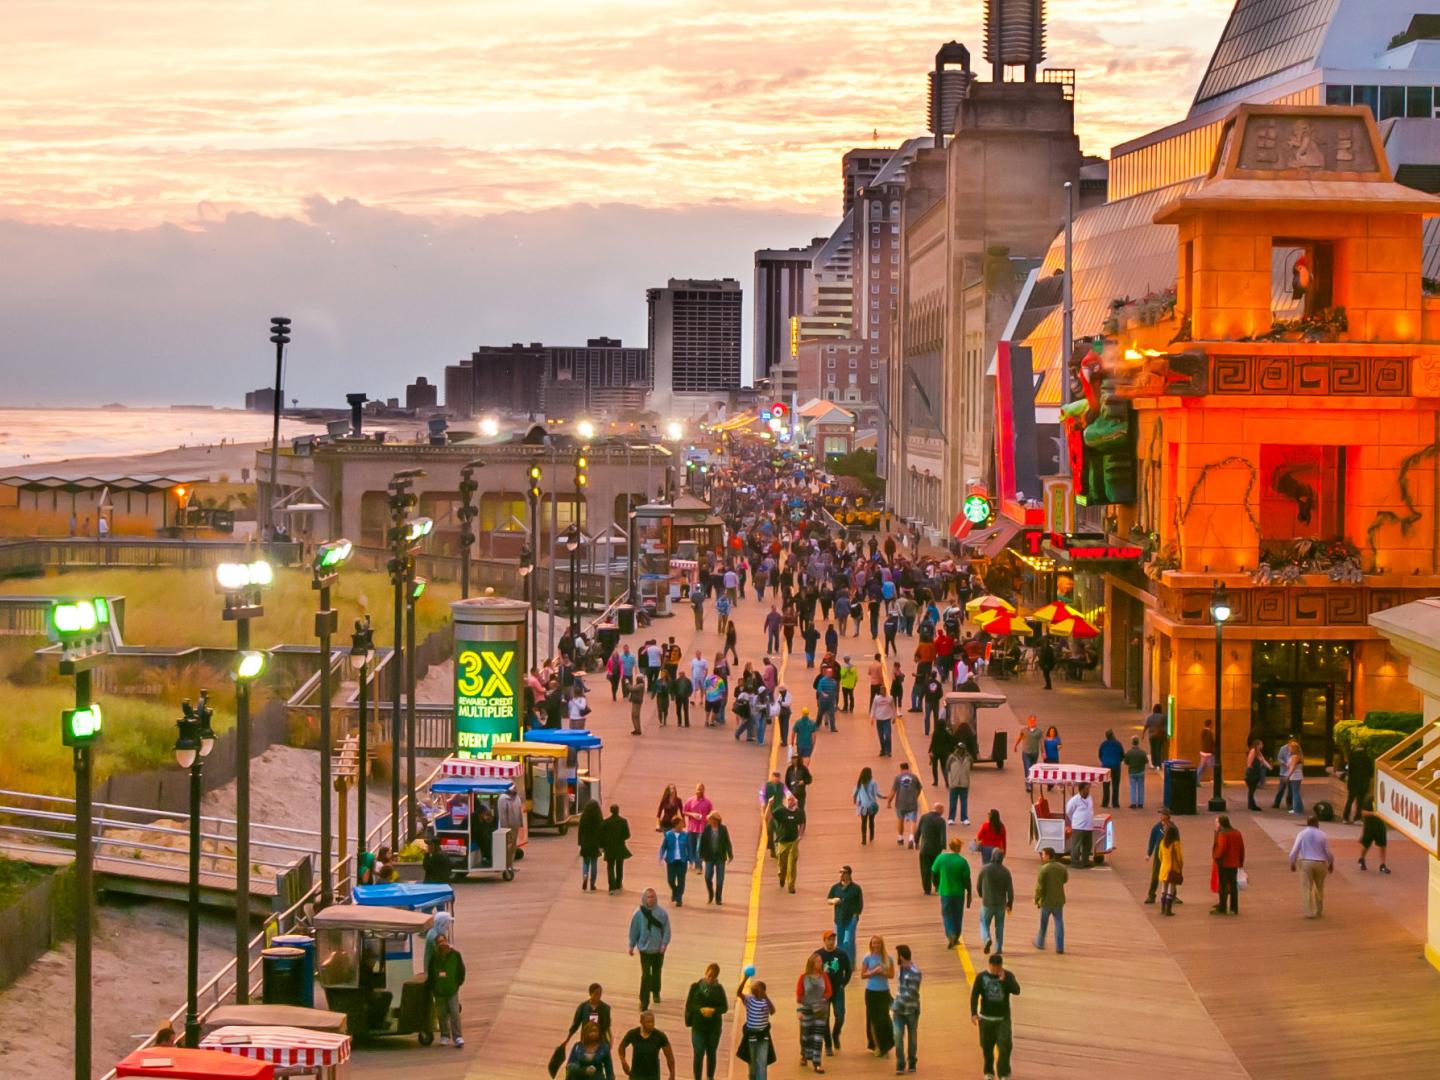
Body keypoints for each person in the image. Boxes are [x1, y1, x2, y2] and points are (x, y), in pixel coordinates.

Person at [970, 953, 1021, 1080]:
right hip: (986, 1019)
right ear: (990, 965)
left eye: (998, 967)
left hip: (1002, 1019)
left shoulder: (1007, 976)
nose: (996, 970)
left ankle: (1003, 1072)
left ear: (1001, 966)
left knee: (1005, 1046)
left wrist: (1006, 981)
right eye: (994, 967)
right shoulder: (981, 977)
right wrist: (974, 1013)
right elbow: (975, 994)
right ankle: (989, 1071)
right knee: (987, 1048)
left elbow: (1017, 990)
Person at [628, 889, 672, 1010]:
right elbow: (634, 930)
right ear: (644, 898)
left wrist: (664, 945)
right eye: (648, 897)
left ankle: (656, 991)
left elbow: (667, 930)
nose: (651, 899)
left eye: (653, 897)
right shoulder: (638, 913)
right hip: (645, 950)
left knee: (656, 973)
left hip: (658, 950)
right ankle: (644, 1001)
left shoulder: (662, 913)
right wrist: (631, 945)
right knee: (646, 976)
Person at [684, 963, 728, 1080]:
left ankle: (710, 1076)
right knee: (698, 1054)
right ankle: (697, 1077)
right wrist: (700, 1009)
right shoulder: (696, 987)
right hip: (698, 1027)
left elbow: (724, 1007)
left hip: (713, 1028)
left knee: (711, 1053)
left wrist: (713, 1010)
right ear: (705, 973)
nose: (710, 979)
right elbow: (689, 1005)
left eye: (713, 977)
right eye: (709, 976)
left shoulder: (719, 990)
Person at [814, 930, 852, 1056]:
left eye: (833, 939)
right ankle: (828, 1044)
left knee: (840, 1015)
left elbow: (848, 970)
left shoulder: (841, 954)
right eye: (829, 939)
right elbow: (811, 972)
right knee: (824, 1019)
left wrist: (843, 983)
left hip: (837, 990)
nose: (831, 942)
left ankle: (835, 1034)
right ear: (824, 940)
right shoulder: (817, 955)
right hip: (823, 992)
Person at [1289, 814, 1335, 918]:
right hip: (1321, 863)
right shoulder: (1323, 835)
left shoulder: (1301, 834)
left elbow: (1295, 850)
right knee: (1319, 887)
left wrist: (1292, 862)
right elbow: (1328, 851)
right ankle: (1319, 910)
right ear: (1317, 823)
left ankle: (1308, 912)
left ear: (1307, 823)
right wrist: (1331, 862)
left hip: (1306, 862)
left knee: (1307, 887)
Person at [931, 837, 972, 948]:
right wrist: (969, 893)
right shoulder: (962, 861)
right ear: (958, 848)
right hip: (959, 892)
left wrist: (935, 884)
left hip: (945, 891)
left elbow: (934, 872)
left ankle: (951, 934)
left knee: (947, 914)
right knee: (958, 915)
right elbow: (967, 879)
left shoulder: (941, 858)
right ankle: (957, 936)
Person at [426, 933, 466, 1047]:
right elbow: (431, 974)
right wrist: (432, 988)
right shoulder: (434, 957)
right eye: (439, 942)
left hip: (452, 989)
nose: (442, 944)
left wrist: (458, 983)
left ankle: (458, 1036)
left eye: (443, 941)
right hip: (439, 991)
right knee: (441, 1013)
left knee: (454, 1012)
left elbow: (461, 970)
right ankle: (445, 1035)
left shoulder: (455, 955)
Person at [795, 953, 832, 1074]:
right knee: (806, 1036)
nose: (820, 964)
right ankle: (804, 1055)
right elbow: (799, 995)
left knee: (818, 1037)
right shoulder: (803, 977)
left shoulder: (824, 976)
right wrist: (800, 1010)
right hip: (807, 1009)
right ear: (812, 963)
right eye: (818, 962)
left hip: (820, 1010)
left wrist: (823, 1000)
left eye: (821, 961)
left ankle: (817, 1063)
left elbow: (828, 992)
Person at [736, 971, 776, 1080]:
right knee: (752, 1064)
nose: (753, 988)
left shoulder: (765, 1002)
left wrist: (766, 997)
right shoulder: (749, 999)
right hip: (751, 1036)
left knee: (762, 1064)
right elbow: (739, 993)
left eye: (756, 987)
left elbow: (772, 1011)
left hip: (763, 1037)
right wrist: (745, 979)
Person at [859, 936, 895, 1059]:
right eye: (874, 943)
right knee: (873, 1020)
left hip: (884, 991)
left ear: (881, 944)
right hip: (871, 992)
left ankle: (886, 1044)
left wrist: (882, 972)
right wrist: (873, 972)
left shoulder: (888, 958)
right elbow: (863, 975)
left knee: (884, 1019)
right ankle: (877, 1046)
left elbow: (891, 974)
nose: (876, 945)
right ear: (871, 944)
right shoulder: (867, 957)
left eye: (878, 943)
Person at [889, 944, 921, 1075]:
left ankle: (912, 1061)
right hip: (899, 1011)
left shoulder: (915, 972)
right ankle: (900, 1063)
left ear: (901, 956)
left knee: (912, 1039)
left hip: (911, 1010)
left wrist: (894, 1004)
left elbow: (911, 993)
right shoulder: (901, 969)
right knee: (897, 1036)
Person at [976, 850, 1013, 955]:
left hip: (987, 902)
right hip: (1001, 903)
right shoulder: (1006, 872)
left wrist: (981, 894)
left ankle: (987, 938)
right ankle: (998, 948)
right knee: (999, 926)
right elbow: (1010, 890)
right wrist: (1010, 903)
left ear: (992, 856)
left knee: (984, 922)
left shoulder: (985, 869)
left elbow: (978, 884)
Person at [619, 1012, 675, 1080]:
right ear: (641, 1022)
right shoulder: (633, 1034)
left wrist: (672, 1074)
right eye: (648, 1022)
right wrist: (623, 1061)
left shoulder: (660, 1036)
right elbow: (621, 1047)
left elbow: (670, 1057)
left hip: (652, 1075)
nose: (651, 1024)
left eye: (652, 1022)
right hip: (636, 1074)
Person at [826, 865, 863, 963]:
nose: (842, 874)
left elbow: (860, 904)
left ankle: (850, 963)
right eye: (840, 872)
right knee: (839, 942)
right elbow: (828, 899)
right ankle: (840, 963)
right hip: (838, 919)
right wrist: (833, 900)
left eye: (844, 872)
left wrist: (855, 917)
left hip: (851, 919)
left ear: (849, 874)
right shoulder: (835, 887)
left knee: (848, 941)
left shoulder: (856, 888)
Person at [1033, 847, 1067, 953]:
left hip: (1046, 901)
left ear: (1048, 855)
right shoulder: (1062, 867)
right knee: (1059, 923)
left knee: (1043, 923)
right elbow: (1065, 879)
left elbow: (1039, 887)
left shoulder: (1043, 869)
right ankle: (1060, 947)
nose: (1042, 856)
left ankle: (1040, 942)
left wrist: (1037, 899)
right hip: (1058, 900)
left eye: (1043, 854)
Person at [1211, 815, 1245, 916]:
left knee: (1223, 885)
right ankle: (1234, 908)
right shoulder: (1237, 832)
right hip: (1234, 863)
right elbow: (1241, 848)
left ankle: (1222, 907)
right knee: (1233, 886)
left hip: (1224, 863)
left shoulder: (1222, 834)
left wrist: (1216, 857)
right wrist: (1241, 862)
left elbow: (1222, 848)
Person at [772, 794, 806, 893]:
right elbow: (769, 816)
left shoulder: (799, 812)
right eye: (789, 800)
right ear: (785, 802)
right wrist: (769, 805)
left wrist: (800, 835)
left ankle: (791, 886)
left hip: (793, 841)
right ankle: (782, 877)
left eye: (792, 800)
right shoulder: (780, 811)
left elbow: (802, 823)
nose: (791, 801)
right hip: (782, 841)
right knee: (782, 865)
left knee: (792, 864)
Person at [698, 812, 733, 905]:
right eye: (709, 819)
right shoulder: (707, 829)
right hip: (709, 857)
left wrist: (730, 854)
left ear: (716, 820)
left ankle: (718, 898)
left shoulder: (723, 829)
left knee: (720, 879)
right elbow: (702, 842)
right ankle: (711, 893)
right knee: (707, 876)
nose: (710, 821)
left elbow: (727, 842)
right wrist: (701, 855)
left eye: (712, 819)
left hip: (720, 857)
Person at [1144, 808, 1175, 905]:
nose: (1160, 816)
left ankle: (1173, 895)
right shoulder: (1156, 828)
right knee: (1155, 874)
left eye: (1162, 814)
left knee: (1171, 875)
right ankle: (1151, 895)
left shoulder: (1173, 828)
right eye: (1160, 814)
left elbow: (1177, 841)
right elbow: (1152, 841)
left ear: (1167, 816)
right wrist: (1149, 853)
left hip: (1169, 854)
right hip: (1159, 853)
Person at [915, 803, 947, 894]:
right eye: (942, 810)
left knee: (925, 868)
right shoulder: (941, 821)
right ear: (939, 810)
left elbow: (918, 831)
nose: (943, 812)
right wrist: (943, 846)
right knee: (936, 868)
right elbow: (943, 836)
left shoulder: (924, 817)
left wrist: (916, 841)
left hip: (924, 848)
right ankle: (937, 885)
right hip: (936, 849)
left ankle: (927, 889)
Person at [601, 804, 632, 894]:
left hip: (609, 847)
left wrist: (602, 846)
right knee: (619, 866)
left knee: (610, 867)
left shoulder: (606, 822)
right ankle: (618, 884)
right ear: (618, 811)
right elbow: (627, 835)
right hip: (620, 847)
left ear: (611, 811)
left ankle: (611, 887)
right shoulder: (623, 821)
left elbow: (602, 836)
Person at [683, 784, 713, 871]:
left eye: (701, 789)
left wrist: (708, 818)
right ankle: (691, 862)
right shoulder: (690, 800)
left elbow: (711, 813)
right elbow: (684, 811)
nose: (700, 791)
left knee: (699, 848)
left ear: (704, 790)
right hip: (692, 828)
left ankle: (698, 866)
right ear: (695, 790)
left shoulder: (708, 802)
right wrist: (692, 814)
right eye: (698, 789)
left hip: (702, 828)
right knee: (691, 847)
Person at [661, 820, 690, 906]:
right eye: (681, 824)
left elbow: (689, 847)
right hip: (671, 860)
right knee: (670, 880)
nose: (683, 825)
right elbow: (664, 847)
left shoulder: (685, 835)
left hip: (682, 861)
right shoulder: (668, 835)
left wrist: (690, 859)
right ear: (676, 825)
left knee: (681, 880)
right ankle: (675, 891)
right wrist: (662, 856)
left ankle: (679, 899)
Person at [1065, 783, 1095, 868]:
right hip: (1078, 826)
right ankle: (1075, 862)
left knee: (1087, 845)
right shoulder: (1074, 800)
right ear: (1081, 790)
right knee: (1076, 845)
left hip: (1088, 826)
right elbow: (1068, 811)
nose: (1088, 790)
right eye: (1086, 789)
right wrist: (1075, 819)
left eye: (1088, 789)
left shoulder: (1090, 798)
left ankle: (1085, 861)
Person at [1358, 796, 1390, 873]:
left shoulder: (1385, 800)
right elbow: (1363, 812)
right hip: (1370, 826)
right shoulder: (1370, 799)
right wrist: (1374, 813)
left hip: (1380, 826)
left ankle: (1383, 865)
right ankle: (1361, 859)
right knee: (1366, 845)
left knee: (1383, 845)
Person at [1158, 824, 1184, 917]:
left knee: (1163, 888)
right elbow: (1179, 858)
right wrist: (1181, 866)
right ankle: (1168, 910)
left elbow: (1159, 856)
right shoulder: (1175, 844)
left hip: (1163, 868)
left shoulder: (1162, 842)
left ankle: (1162, 909)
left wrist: (1163, 863)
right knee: (1171, 889)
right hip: (1173, 868)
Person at [578, 800, 604, 892]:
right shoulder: (599, 818)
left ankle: (585, 875)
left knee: (585, 862)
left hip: (585, 843)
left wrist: (579, 843)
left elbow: (580, 831)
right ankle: (592, 883)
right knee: (594, 863)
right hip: (595, 844)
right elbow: (602, 832)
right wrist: (601, 845)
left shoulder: (584, 816)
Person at [1344, 746, 1374, 824]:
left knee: (1349, 800)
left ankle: (1345, 817)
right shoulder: (1368, 760)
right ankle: (1357, 818)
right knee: (1360, 802)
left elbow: (1348, 771)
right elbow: (1371, 774)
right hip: (1363, 783)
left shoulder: (1352, 759)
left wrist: (1348, 782)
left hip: (1353, 783)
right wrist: (1370, 787)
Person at [945, 742, 973, 825]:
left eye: (961, 748)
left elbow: (971, 766)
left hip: (964, 783)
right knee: (953, 802)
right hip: (954, 784)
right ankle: (951, 818)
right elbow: (947, 768)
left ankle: (964, 818)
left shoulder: (968, 758)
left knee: (964, 802)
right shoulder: (951, 758)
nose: (959, 750)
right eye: (958, 748)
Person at [852, 766, 881, 846]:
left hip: (863, 806)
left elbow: (855, 793)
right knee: (871, 821)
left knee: (863, 822)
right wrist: (884, 797)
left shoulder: (860, 782)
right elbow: (877, 793)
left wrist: (854, 800)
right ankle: (871, 836)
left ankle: (864, 839)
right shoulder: (873, 782)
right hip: (872, 805)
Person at [1097, 730, 1124, 809]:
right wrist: (1119, 761)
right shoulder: (1118, 744)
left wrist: (1104, 761)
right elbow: (1122, 754)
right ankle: (1115, 803)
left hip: (1106, 766)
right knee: (1116, 784)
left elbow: (1100, 754)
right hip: (1116, 765)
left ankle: (1105, 802)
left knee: (1106, 785)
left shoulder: (1103, 744)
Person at [1014, 716, 1042, 790]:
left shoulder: (1039, 731)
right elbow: (1020, 737)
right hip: (1026, 753)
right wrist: (1016, 745)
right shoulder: (1024, 730)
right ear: (1028, 721)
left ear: (1036, 721)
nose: (1032, 722)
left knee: (1032, 769)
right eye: (1031, 721)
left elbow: (1041, 742)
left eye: (1034, 721)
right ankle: (1028, 784)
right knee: (1027, 768)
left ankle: (1030, 782)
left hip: (1035, 753)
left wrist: (1043, 752)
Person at [1123, 736, 1150, 808]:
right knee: (1141, 787)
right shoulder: (1142, 752)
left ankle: (1133, 803)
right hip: (1141, 771)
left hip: (1132, 772)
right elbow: (1146, 761)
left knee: (1133, 787)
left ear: (1132, 743)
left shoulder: (1129, 752)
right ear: (1138, 743)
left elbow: (1126, 762)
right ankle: (1141, 803)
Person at [870, 690, 896, 758]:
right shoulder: (876, 698)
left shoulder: (890, 698)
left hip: (887, 719)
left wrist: (894, 717)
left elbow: (893, 707)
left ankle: (888, 751)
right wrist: (872, 717)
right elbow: (873, 708)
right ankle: (883, 750)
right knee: (881, 736)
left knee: (887, 735)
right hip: (879, 719)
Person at [1283, 738, 1305, 815]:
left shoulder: (1295, 757)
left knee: (1295, 793)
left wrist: (1288, 776)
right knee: (1296, 792)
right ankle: (1299, 808)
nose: (1288, 749)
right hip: (1296, 776)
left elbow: (1292, 767)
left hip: (1295, 776)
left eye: (1289, 748)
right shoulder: (1296, 756)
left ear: (1293, 749)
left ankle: (1297, 809)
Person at [1143, 702, 1167, 769]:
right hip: (1159, 736)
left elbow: (1146, 726)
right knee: (1158, 749)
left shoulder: (1150, 717)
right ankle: (1158, 764)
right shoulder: (1163, 717)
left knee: (1153, 749)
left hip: (1151, 736)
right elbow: (1165, 727)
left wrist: (1143, 734)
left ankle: (1154, 763)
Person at [1197, 719, 1216, 783]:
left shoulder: (1203, 732)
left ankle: (1196, 780)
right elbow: (1210, 743)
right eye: (1212, 724)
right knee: (1215, 767)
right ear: (1210, 724)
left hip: (1203, 752)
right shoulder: (1209, 733)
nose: (1212, 725)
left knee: (1201, 768)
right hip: (1209, 753)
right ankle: (1219, 781)